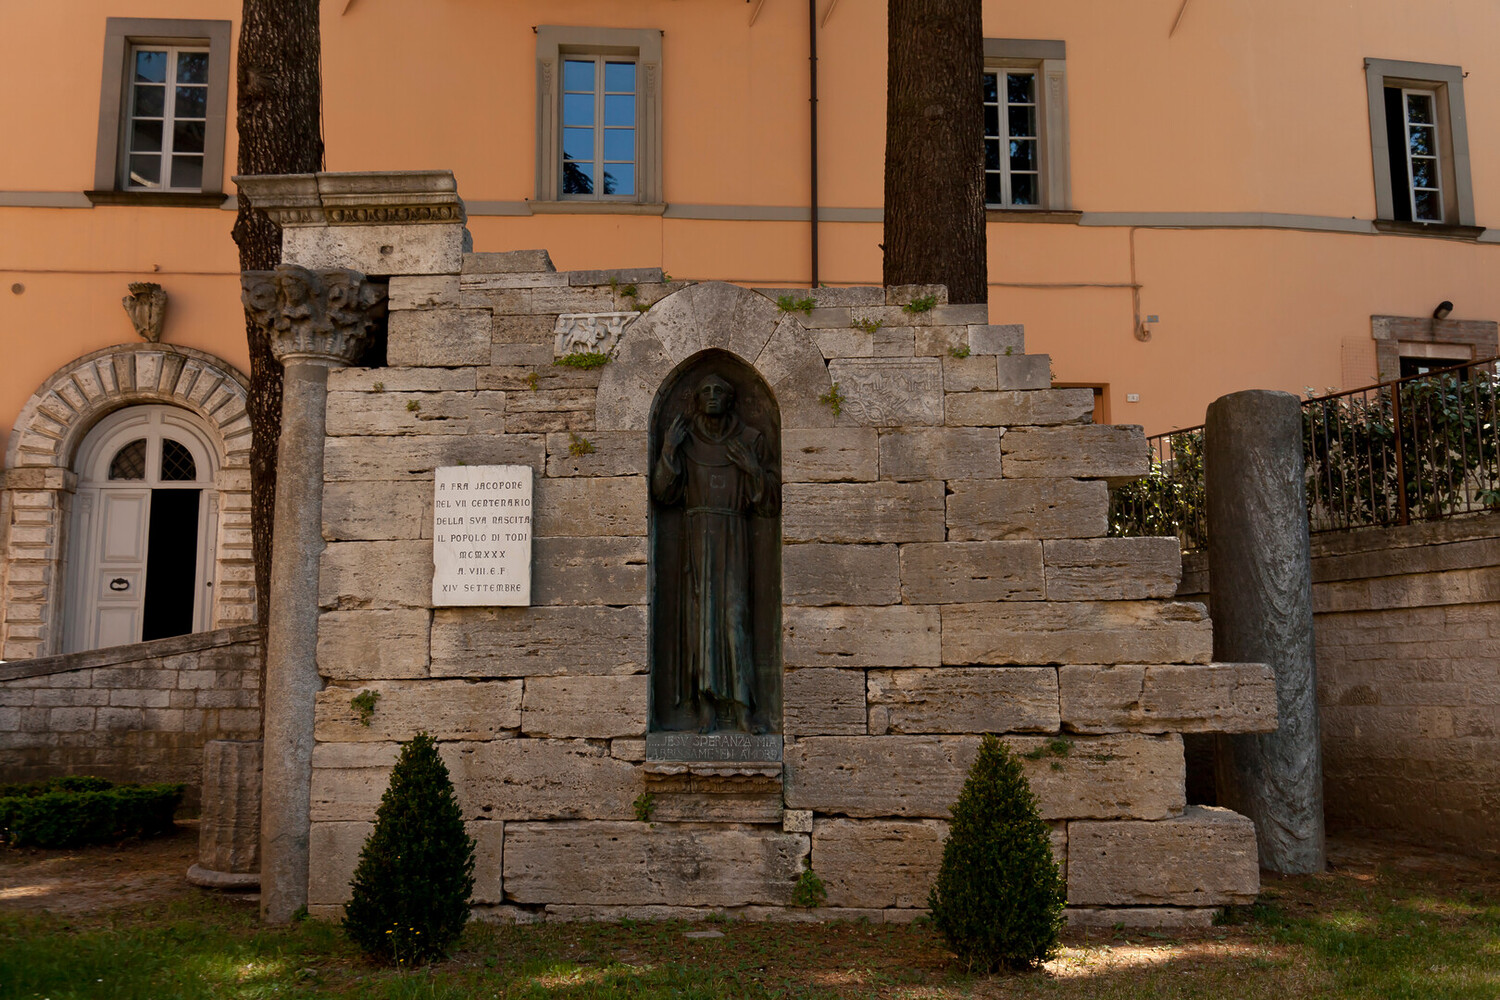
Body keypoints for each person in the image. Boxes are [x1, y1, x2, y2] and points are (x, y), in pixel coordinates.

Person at [652, 374, 778, 732]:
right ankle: (704, 706)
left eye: (718, 390)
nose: (711, 396)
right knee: (700, 622)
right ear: (695, 399)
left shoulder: (751, 441)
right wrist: (668, 451)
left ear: (730, 398)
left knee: (735, 619)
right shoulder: (686, 442)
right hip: (696, 542)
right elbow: (663, 494)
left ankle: (742, 709)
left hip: (734, 538)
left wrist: (753, 471)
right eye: (704, 390)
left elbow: (770, 505)